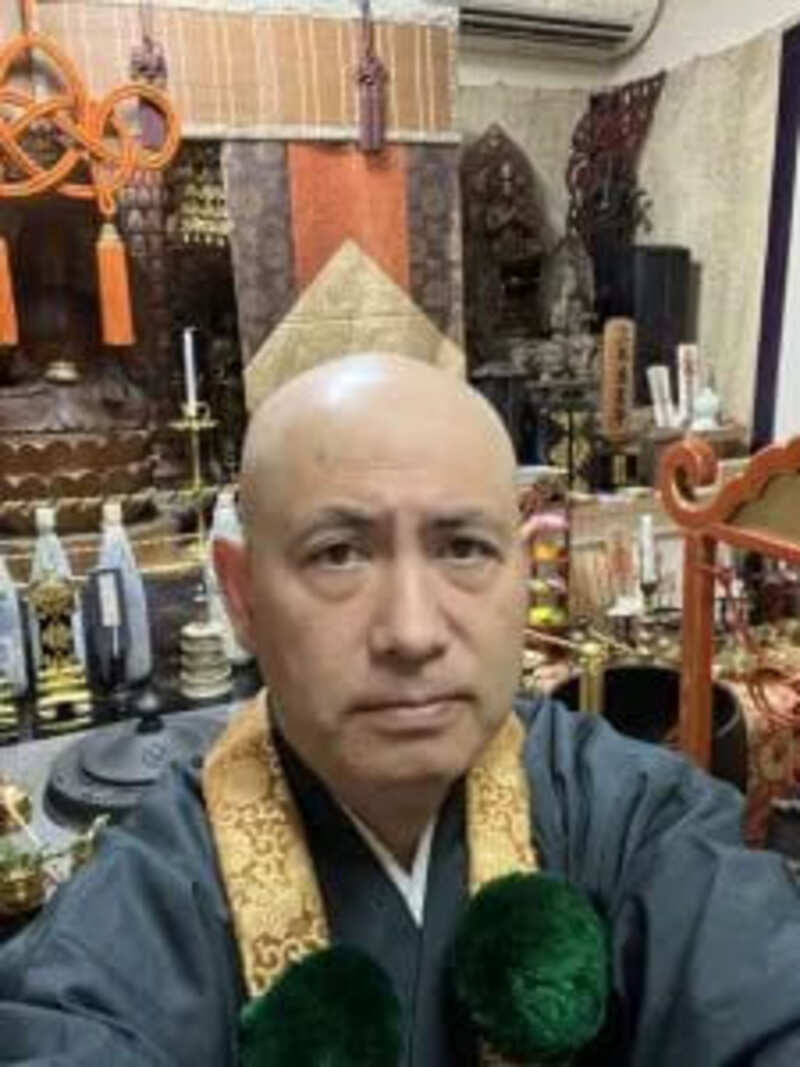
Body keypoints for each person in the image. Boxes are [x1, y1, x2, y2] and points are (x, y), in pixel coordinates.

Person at [2, 352, 800, 1066]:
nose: (413, 632)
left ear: (523, 571)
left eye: (463, 548)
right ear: (242, 596)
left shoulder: (630, 816)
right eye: (338, 554)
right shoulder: (150, 903)